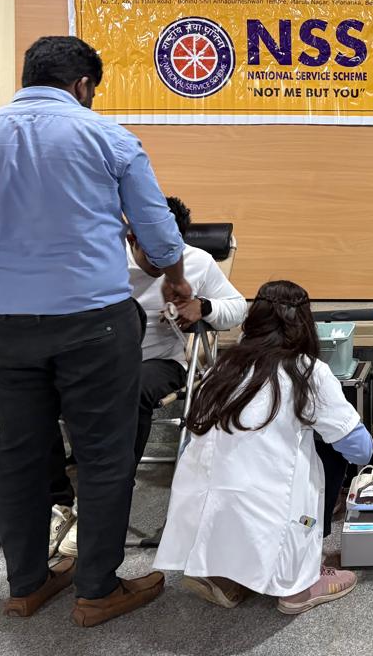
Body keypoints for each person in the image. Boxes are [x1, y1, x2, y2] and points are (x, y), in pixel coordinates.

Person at [0, 35, 191, 626]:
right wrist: (175, 279)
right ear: (83, 85)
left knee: (19, 452)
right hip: (95, 327)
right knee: (104, 454)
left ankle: (27, 583)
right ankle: (97, 590)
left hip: (4, 329)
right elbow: (158, 232)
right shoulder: (109, 139)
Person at [45, 195, 248, 557]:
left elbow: (237, 308)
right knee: (35, 391)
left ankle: (101, 507)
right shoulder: (99, 257)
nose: (165, 261)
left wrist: (203, 306)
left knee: (130, 388)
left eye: (171, 249)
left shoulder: (196, 261)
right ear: (132, 238)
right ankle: (58, 502)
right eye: (155, 252)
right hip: (93, 362)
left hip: (157, 362)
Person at [154, 280, 372, 613]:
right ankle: (300, 584)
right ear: (304, 324)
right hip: (268, 506)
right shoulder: (307, 371)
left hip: (201, 499)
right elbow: (360, 449)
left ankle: (222, 571)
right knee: (330, 449)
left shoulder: (222, 367)